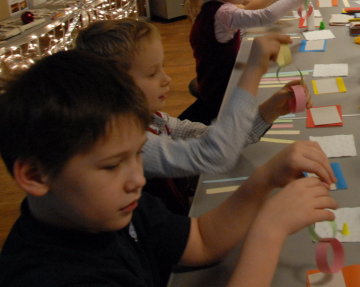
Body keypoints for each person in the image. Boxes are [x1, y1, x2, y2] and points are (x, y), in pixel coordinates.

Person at [0, 50, 337, 287]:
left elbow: (202, 240)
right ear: (35, 175)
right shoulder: (50, 275)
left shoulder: (108, 208)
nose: (137, 178)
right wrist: (269, 232)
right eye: (112, 165)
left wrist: (265, 178)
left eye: (137, 154)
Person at [75, 19, 310, 214]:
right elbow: (216, 153)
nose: (166, 79)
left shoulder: (153, 119)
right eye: (152, 73)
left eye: (163, 68)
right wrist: (254, 70)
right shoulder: (131, 145)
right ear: (113, 87)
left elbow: (211, 138)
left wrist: (269, 110)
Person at [183, 0, 309, 125]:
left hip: (215, 81)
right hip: (221, 91)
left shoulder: (211, 5)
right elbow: (265, 16)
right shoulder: (223, 13)